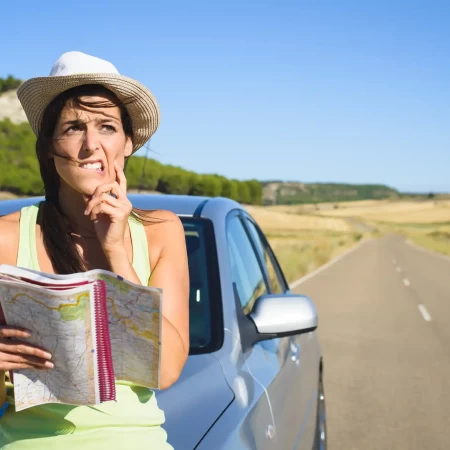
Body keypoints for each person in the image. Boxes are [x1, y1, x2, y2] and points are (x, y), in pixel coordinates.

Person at [0, 51, 189, 449]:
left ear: (128, 143)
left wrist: (115, 248)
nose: (91, 145)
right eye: (72, 127)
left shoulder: (161, 230)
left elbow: (167, 370)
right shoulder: (7, 237)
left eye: (106, 127)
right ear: (50, 148)